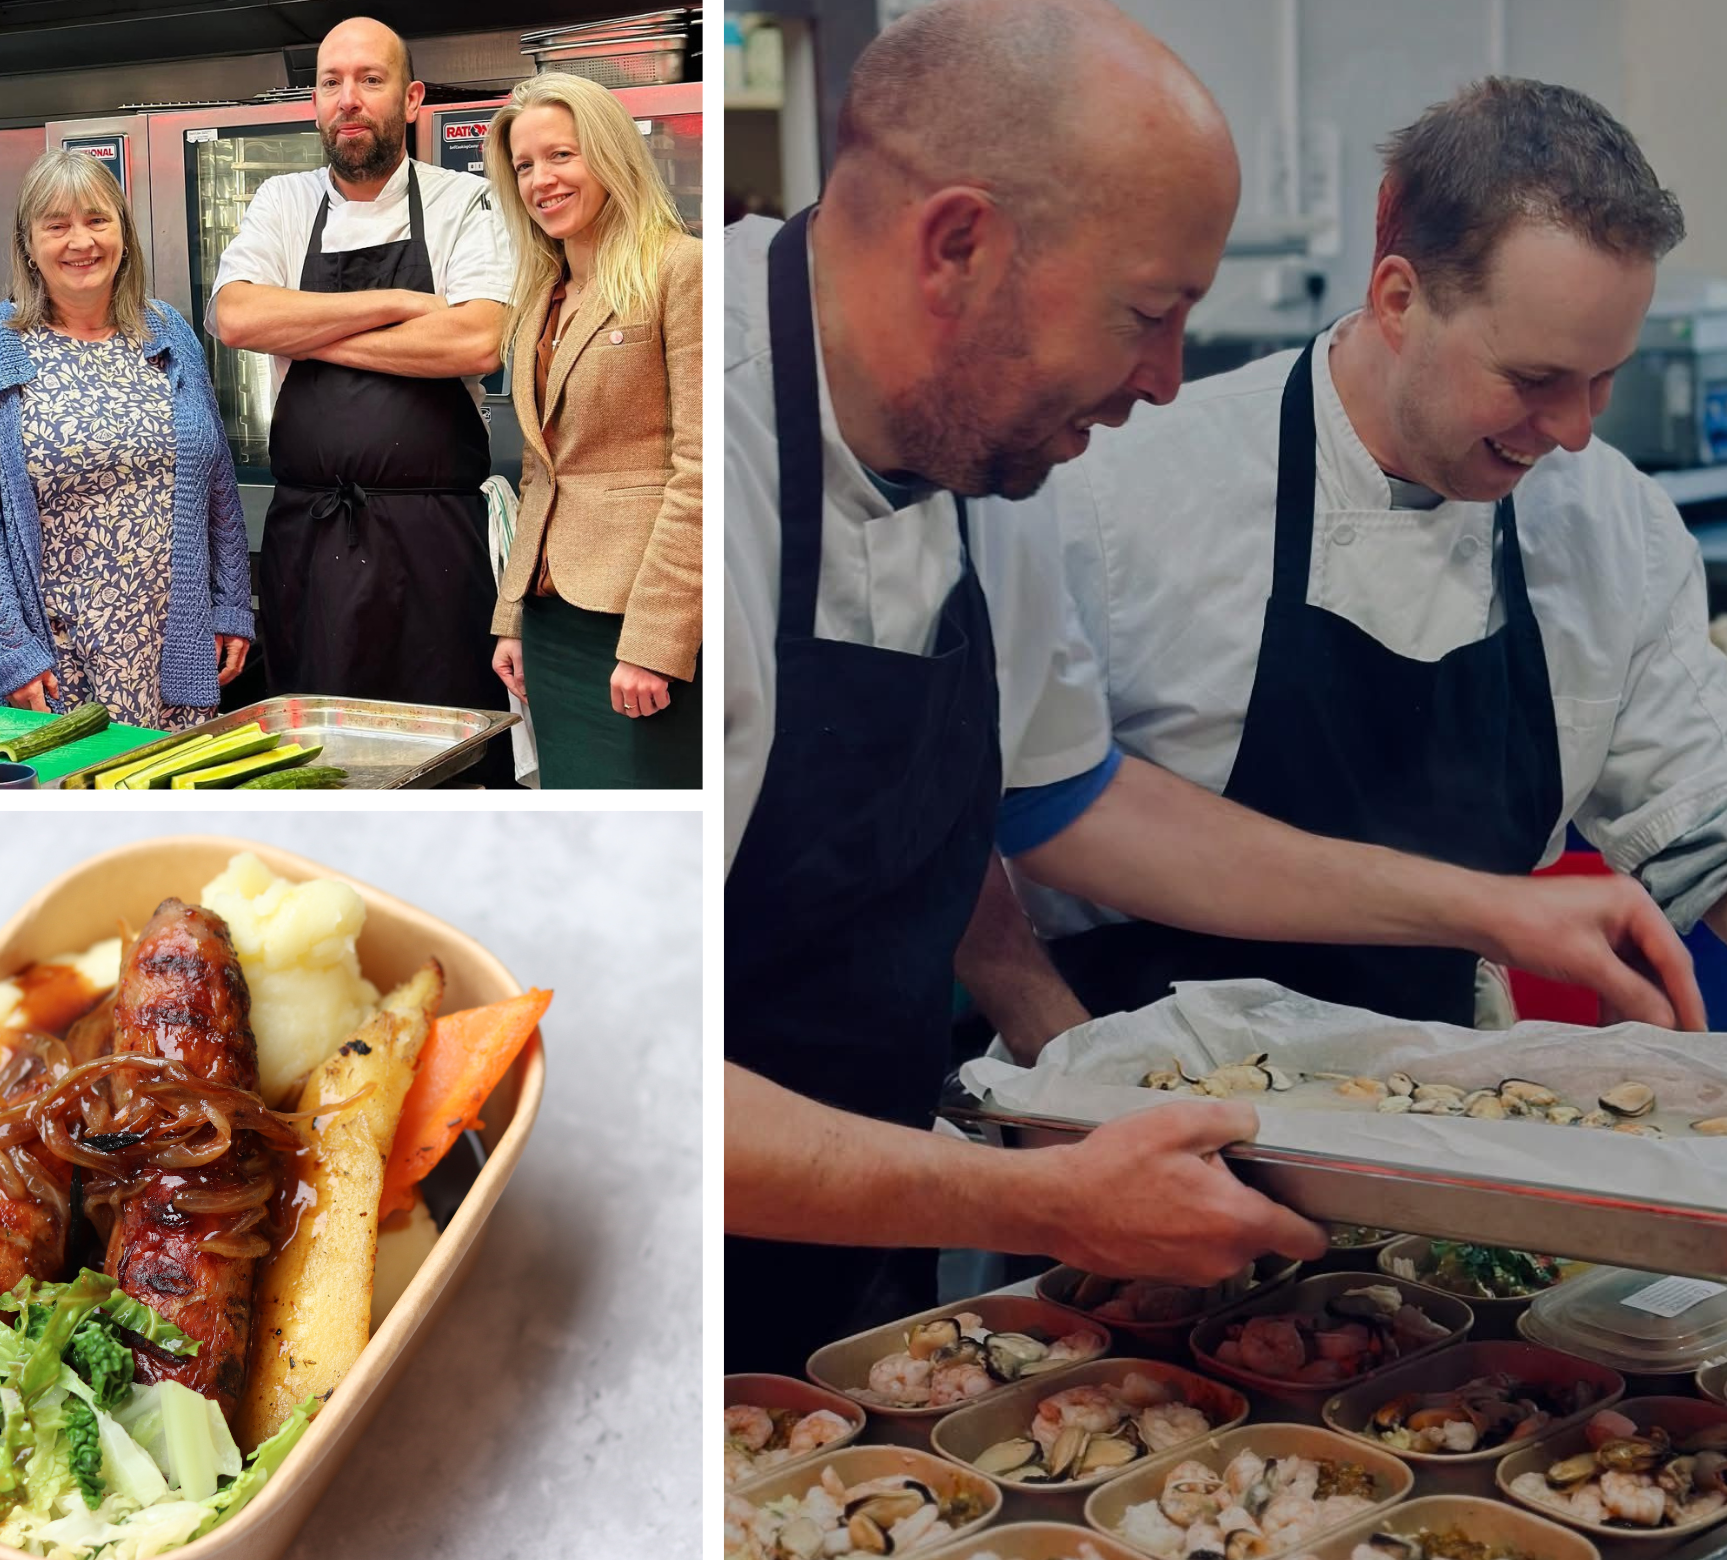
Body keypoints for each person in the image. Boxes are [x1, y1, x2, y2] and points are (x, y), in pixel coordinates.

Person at [723, 0, 1702, 1376]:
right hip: (683, 1213)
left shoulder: (995, 461)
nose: (1171, 378)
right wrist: (1051, 1162)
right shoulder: (695, 449)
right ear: (957, 246)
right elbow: (621, 1068)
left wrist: (1489, 912)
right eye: (1150, 314)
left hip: (875, 1219)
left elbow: (1076, 805)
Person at [1012, 76, 1727, 1028]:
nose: (1572, 431)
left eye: (1603, 380)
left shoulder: (1616, 530)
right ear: (1398, 298)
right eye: (1534, 379)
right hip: (1126, 1090)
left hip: (1442, 1104)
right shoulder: (1115, 489)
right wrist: (1045, 1046)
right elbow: (981, 814)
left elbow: (1700, 828)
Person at [211, 15, 514, 785]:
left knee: (448, 755)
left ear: (410, 98)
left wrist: (307, 331)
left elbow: (475, 341)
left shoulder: (466, 202)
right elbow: (238, 317)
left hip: (436, 546)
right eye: (331, 82)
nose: (349, 99)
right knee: (316, 762)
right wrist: (407, 304)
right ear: (314, 102)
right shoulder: (281, 200)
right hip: (309, 545)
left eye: (370, 80)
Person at [0, 150, 253, 727]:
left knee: (171, 806)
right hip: (56, 658)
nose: (80, 240)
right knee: (71, 805)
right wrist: (9, 652)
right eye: (56, 225)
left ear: (124, 236)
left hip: (172, 642)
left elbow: (217, 483)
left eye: (96, 220)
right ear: (28, 246)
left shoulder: (168, 332)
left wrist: (229, 602)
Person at [483, 72, 701, 788]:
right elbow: (542, 473)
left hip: (637, 624)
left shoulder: (681, 269)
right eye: (524, 165)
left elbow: (701, 473)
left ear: (609, 156)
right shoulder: (543, 296)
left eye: (561, 156)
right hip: (554, 625)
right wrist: (512, 615)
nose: (541, 180)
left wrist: (657, 642)